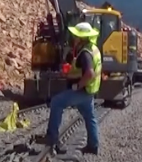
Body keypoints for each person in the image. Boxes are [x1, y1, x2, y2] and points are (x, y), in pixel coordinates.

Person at [37, 22, 102, 155]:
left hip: (82, 91)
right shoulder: (94, 49)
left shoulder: (85, 54)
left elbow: (89, 73)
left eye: (76, 36)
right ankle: (93, 145)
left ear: (81, 38)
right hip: (90, 91)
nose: (74, 38)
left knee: (57, 102)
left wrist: (78, 85)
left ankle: (52, 137)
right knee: (90, 117)